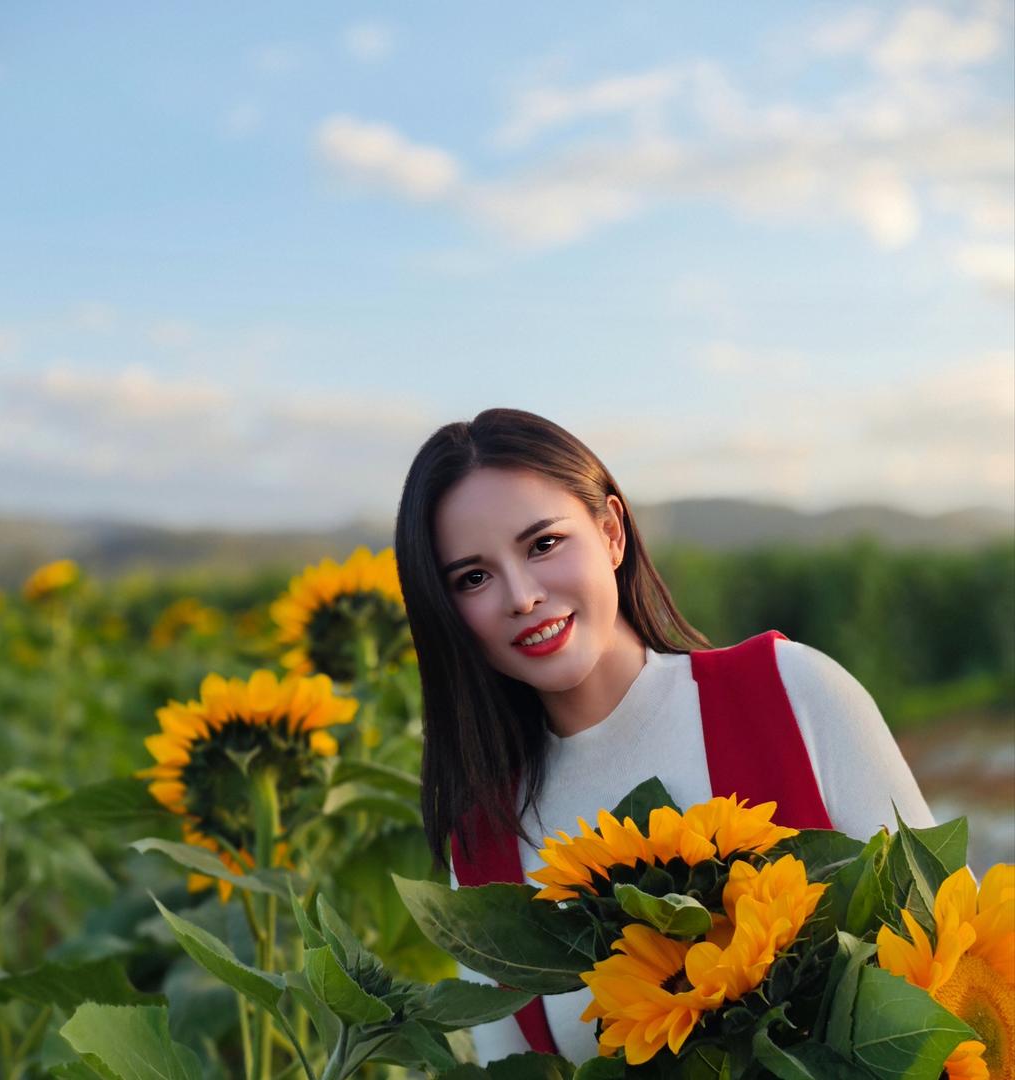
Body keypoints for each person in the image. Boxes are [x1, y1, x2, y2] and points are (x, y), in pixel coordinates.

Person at [393, 407, 934, 1067]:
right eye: (473, 578)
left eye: (543, 544)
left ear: (612, 533)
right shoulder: (484, 844)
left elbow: (951, 962)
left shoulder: (789, 693)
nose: (522, 595)